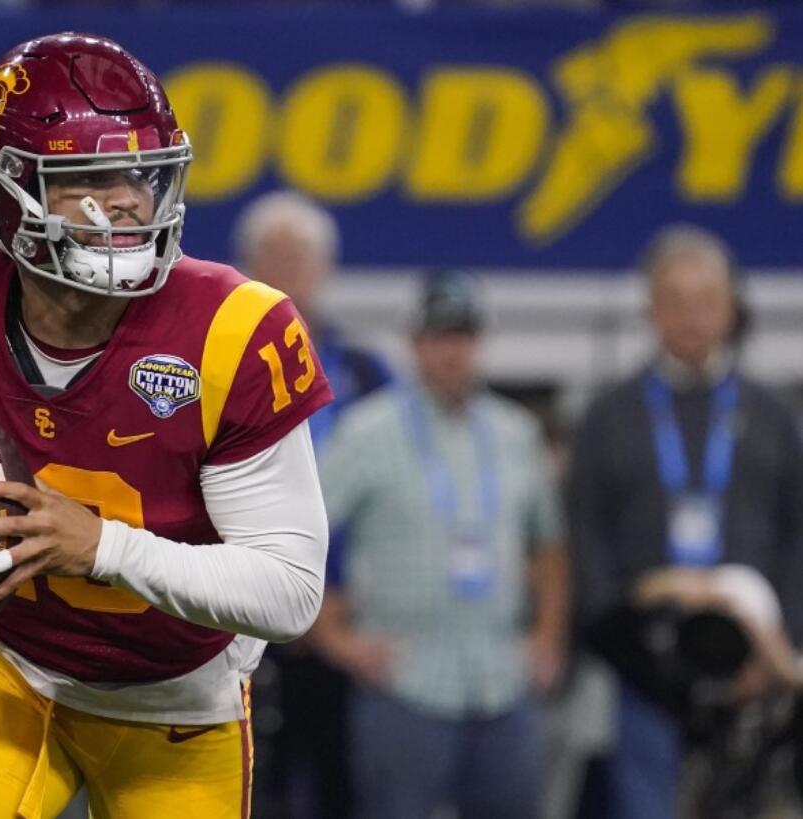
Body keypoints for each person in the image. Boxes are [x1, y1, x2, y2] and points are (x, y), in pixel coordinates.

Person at [0, 33, 332, 818]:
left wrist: (102, 545)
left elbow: (290, 591)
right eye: (88, 177)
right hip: (2, 665)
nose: (126, 199)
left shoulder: (231, 329)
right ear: (6, 194)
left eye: (142, 175)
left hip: (176, 701)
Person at [310, 270, 569, 819]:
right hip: (404, 677)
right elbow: (306, 530)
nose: (451, 353)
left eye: (462, 338)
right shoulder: (367, 432)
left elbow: (548, 543)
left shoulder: (516, 432)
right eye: (439, 338)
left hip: (502, 677)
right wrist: (331, 635)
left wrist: (546, 635)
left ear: (479, 344)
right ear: (415, 343)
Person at [567, 224, 803, 819]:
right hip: (648, 670)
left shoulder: (771, 413)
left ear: (731, 309)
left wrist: (782, 648)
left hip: (756, 672)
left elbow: (798, 533)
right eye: (674, 300)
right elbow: (586, 539)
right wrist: (622, 644)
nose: (691, 316)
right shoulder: (609, 415)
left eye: (707, 301)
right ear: (650, 309)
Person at [233, 190, 393, 819]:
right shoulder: (212, 362)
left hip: (348, 611)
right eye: (271, 256)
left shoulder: (367, 370)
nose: (287, 271)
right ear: (244, 267)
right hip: (242, 603)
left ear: (326, 269)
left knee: (341, 778)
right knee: (250, 777)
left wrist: (342, 598)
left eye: (300, 258)